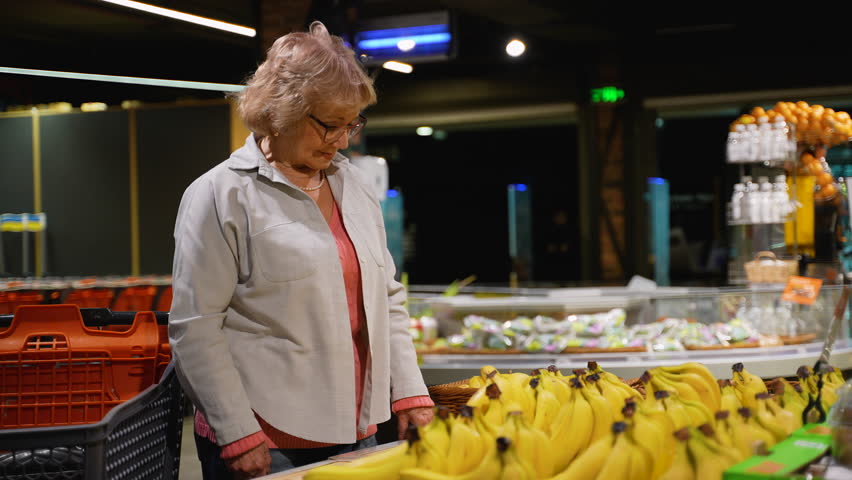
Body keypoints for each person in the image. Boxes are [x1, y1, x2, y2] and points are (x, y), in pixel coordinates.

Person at [169, 21, 434, 479]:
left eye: (353, 124)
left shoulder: (354, 186)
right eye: (331, 125)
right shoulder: (220, 195)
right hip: (268, 438)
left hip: (362, 428)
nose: (344, 139)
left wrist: (409, 391)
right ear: (280, 110)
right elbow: (196, 328)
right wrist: (237, 431)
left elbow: (386, 299)